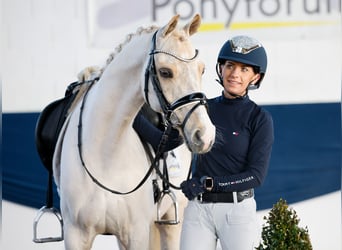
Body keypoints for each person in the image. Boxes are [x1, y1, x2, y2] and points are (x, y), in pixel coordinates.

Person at [179, 35, 274, 250]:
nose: (234, 74)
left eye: (244, 69)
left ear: (256, 77)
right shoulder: (202, 109)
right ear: (220, 68)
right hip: (198, 209)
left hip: (237, 211)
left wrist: (208, 183)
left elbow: (256, 176)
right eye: (230, 65)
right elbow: (167, 142)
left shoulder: (259, 118)